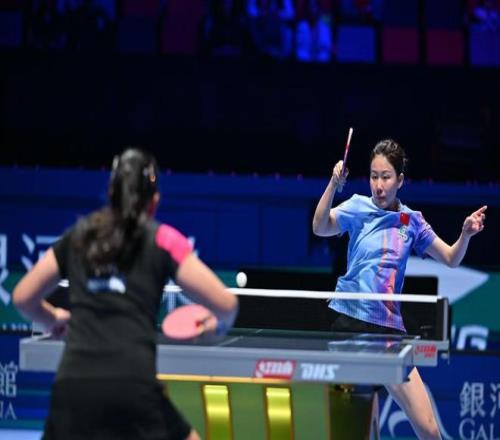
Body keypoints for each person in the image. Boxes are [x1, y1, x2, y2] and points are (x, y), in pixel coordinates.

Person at [13, 148, 239, 440]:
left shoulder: (78, 236)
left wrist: (53, 317)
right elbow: (227, 304)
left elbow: (23, 298)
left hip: (74, 385)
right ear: (154, 202)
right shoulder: (163, 239)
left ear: (111, 192)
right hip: (132, 385)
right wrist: (216, 326)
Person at [312, 138, 486, 440]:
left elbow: (450, 258)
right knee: (348, 421)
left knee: (429, 429)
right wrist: (332, 184)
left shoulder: (412, 221)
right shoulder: (357, 206)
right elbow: (320, 226)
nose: (378, 186)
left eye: (386, 177)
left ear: (400, 180)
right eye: (373, 176)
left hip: (388, 331)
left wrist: (465, 235)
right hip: (349, 323)